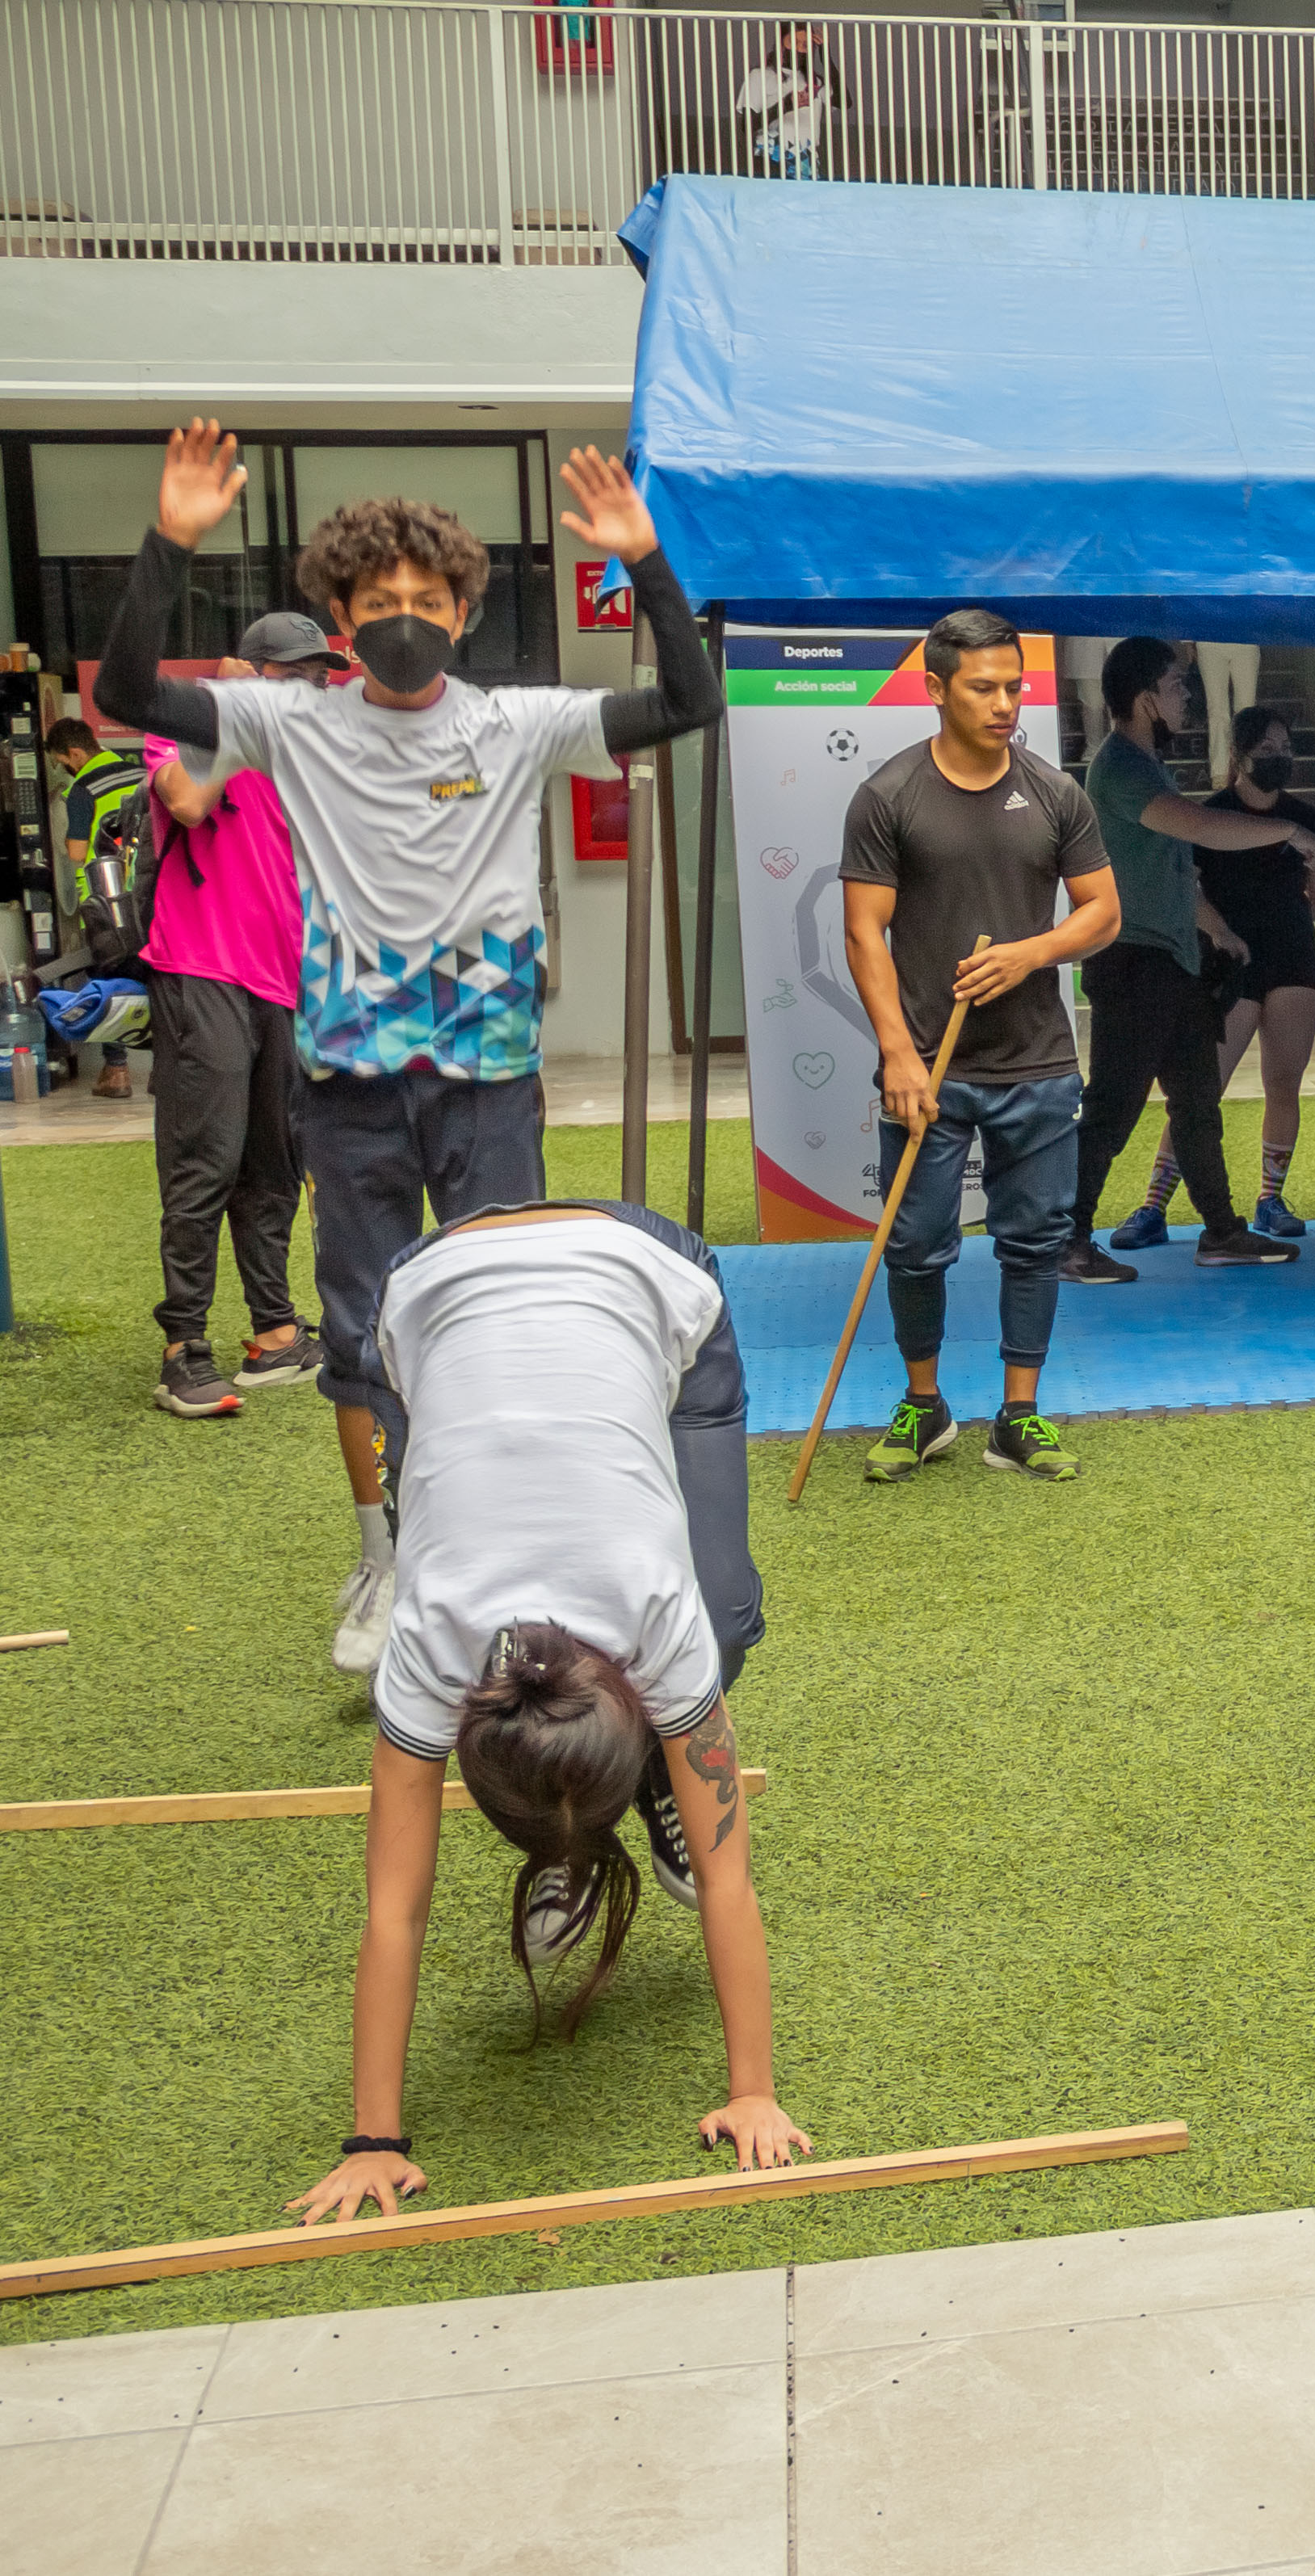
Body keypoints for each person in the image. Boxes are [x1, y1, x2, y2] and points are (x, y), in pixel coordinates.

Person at [98, 419, 723, 1680]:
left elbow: (690, 701)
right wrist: (168, 539)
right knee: (360, 1333)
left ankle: (504, 1559)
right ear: (339, 611)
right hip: (350, 1080)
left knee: (497, 1323)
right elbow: (123, 698)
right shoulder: (286, 719)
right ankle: (385, 1557)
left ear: (463, 606)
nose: (402, 616)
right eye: (377, 599)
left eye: (426, 598)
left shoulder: (520, 722)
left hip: (488, 1076)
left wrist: (648, 562)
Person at [288, 1200, 795, 2226]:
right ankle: (585, 1833)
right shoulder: (432, 1642)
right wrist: (369, 2141)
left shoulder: (657, 1612)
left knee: (729, 1611)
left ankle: (646, 1787)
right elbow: (397, 1910)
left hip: (644, 1268)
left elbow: (728, 1873)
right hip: (432, 1289)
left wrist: (756, 2091)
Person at [838, 607, 1121, 1486]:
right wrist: (896, 1054)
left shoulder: (1055, 794)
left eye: (1015, 686)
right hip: (930, 1063)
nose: (1005, 703)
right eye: (984, 687)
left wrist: (1032, 952)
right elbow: (861, 932)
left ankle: (1019, 1416)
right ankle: (925, 1407)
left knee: (1034, 1240)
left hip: (1035, 1063)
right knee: (916, 1242)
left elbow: (1102, 912)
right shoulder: (888, 797)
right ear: (935, 689)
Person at [137, 616, 337, 1419]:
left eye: (317, 678)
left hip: (282, 984)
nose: (310, 690)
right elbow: (184, 803)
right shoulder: (189, 729)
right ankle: (182, 1349)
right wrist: (241, 717)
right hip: (200, 970)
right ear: (249, 674)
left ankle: (275, 1335)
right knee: (204, 1162)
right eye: (293, 676)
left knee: (275, 1163)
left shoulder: (306, 757)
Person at [1061, 638, 1304, 1284]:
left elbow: (1175, 872)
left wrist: (1219, 932)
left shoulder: (1147, 763)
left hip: (1172, 961)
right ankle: (1069, 1239)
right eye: (1175, 684)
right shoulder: (1121, 767)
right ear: (1144, 699)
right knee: (1113, 1108)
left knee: (1196, 1102)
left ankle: (1221, 1231)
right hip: (1133, 963)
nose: (1186, 694)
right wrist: (1289, 830)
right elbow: (1197, 828)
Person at [1114, 700, 1315, 1250]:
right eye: (1267, 750)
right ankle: (1153, 1206)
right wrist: (1225, 936)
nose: (1279, 758)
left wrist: (1299, 909)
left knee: (1284, 1082)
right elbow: (1189, 893)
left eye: (1286, 749)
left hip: (1294, 962)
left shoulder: (1308, 820)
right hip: (1229, 967)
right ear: (1237, 756)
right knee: (1200, 1088)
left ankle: (1270, 1199)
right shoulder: (1208, 816)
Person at [45, 718, 150, 1097]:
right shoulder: (140, 771)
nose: (64, 769)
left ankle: (117, 1070)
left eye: (63, 762)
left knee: (110, 972)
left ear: (76, 753)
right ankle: (162, 1064)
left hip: (105, 898)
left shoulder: (81, 789)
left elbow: (76, 852)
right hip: (149, 889)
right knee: (157, 971)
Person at [735, 21, 828, 182]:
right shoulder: (760, 75)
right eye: (794, 42)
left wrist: (826, 53)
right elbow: (748, 125)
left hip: (807, 159)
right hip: (771, 155)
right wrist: (787, 104)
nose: (799, 49)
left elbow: (845, 102)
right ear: (781, 43)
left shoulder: (816, 82)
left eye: (805, 45)